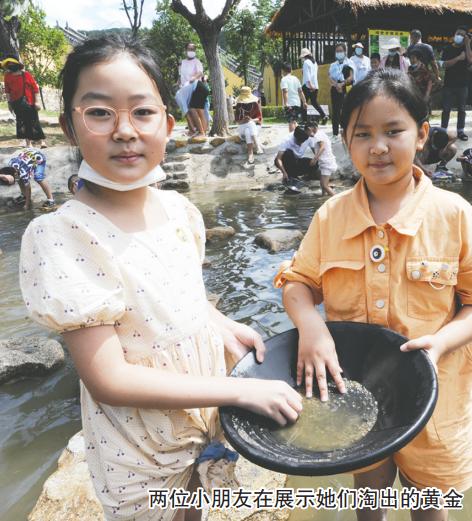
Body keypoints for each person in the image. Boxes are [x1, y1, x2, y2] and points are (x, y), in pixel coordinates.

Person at [19, 35, 302, 521]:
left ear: (168, 125)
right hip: (138, 447)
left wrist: (221, 324)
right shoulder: (62, 235)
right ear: (69, 127)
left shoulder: (179, 210)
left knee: (195, 498)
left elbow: (183, 294)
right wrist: (240, 390)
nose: (125, 131)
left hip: (199, 416)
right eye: (100, 113)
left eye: (142, 112)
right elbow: (109, 378)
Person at [275, 68, 472, 521]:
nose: (377, 146)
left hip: (435, 400)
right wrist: (311, 326)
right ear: (346, 141)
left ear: (421, 134)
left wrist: (443, 341)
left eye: (393, 131)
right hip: (356, 395)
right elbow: (299, 283)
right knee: (371, 493)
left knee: (429, 504)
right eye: (362, 134)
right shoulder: (331, 217)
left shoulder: (454, 215)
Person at [1, 56, 47, 148]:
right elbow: (7, 91)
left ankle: (42, 142)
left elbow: (35, 89)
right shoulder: (7, 76)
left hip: (30, 102)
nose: (10, 66)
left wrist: (37, 102)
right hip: (16, 103)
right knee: (22, 122)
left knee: (34, 122)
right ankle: (28, 144)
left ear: (17, 65)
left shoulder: (26, 74)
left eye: (12, 64)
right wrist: (9, 104)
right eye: (8, 65)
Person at [440, 26, 472, 141]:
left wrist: (468, 44)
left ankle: (460, 131)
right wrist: (458, 58)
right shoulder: (447, 48)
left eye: (463, 35)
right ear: (454, 34)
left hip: (463, 85)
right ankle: (443, 131)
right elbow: (443, 64)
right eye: (458, 33)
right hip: (449, 84)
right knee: (446, 109)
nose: (460, 36)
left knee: (462, 110)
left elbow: (470, 60)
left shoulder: (467, 48)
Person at [176, 42, 208, 137]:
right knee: (189, 109)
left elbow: (200, 73)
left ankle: (202, 132)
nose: (191, 51)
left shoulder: (197, 61)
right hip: (186, 89)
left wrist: (194, 77)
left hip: (196, 87)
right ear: (186, 50)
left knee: (198, 111)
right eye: (189, 49)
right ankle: (194, 130)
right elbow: (181, 76)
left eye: (193, 49)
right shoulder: (182, 62)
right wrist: (178, 83)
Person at [328, 43, 354, 139]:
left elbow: (351, 76)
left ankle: (346, 131)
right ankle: (335, 134)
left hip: (346, 87)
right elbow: (330, 77)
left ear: (345, 52)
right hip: (335, 88)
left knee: (346, 110)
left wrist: (342, 84)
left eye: (341, 51)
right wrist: (336, 85)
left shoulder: (349, 63)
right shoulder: (333, 65)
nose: (339, 53)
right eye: (337, 51)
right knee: (336, 111)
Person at [234, 86, 263, 165]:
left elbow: (259, 119)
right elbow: (237, 121)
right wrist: (244, 121)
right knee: (248, 125)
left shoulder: (255, 104)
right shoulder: (239, 105)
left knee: (248, 131)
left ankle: (250, 154)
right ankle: (257, 145)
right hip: (241, 127)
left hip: (255, 127)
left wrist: (251, 120)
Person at [308, 121, 337, 196]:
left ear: (311, 128)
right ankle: (323, 197)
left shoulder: (318, 136)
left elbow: (322, 147)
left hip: (327, 163)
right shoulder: (320, 133)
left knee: (324, 185)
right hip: (327, 161)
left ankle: (337, 199)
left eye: (307, 131)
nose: (307, 133)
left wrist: (315, 159)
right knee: (322, 183)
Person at [299, 48, 327, 124]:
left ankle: (304, 120)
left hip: (307, 85)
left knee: (303, 102)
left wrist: (310, 86)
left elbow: (307, 76)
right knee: (314, 102)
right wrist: (313, 86)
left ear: (304, 56)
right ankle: (324, 116)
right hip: (315, 85)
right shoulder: (315, 63)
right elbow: (313, 75)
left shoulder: (306, 63)